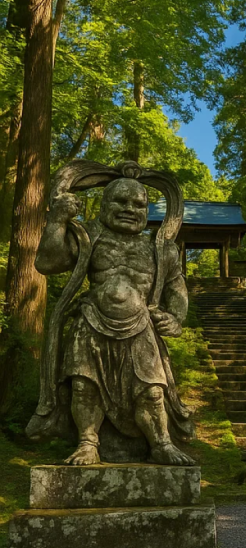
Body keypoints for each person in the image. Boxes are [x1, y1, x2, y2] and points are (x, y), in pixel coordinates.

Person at [33, 176, 194, 465]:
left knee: (152, 390)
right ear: (104, 205)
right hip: (91, 321)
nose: (129, 209)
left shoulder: (160, 248)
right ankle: (87, 442)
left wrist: (175, 318)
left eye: (138, 204)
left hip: (140, 325)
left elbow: (176, 288)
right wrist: (57, 221)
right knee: (84, 386)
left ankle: (161, 443)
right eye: (121, 201)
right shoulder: (89, 236)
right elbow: (47, 263)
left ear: (147, 210)